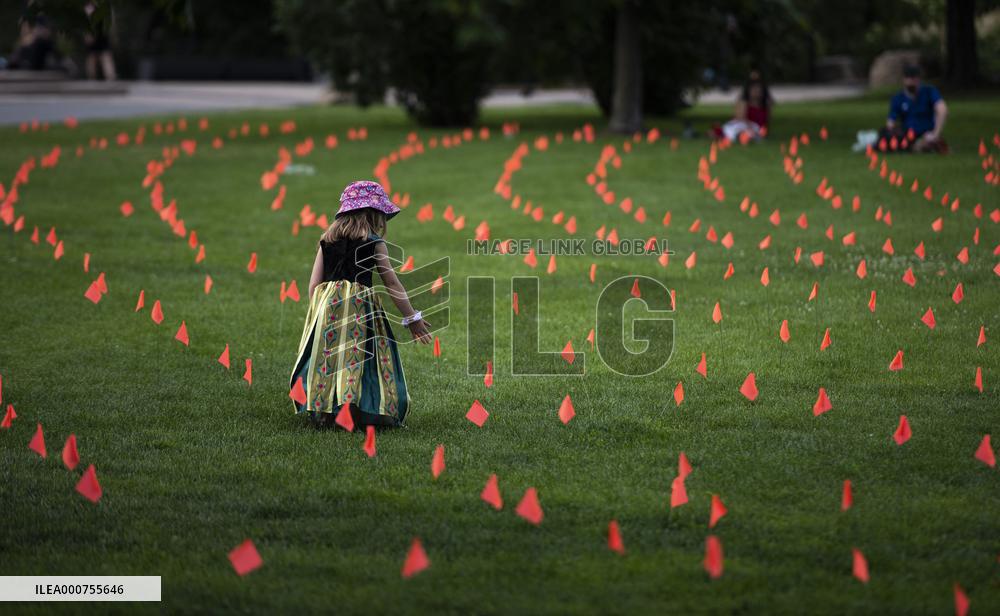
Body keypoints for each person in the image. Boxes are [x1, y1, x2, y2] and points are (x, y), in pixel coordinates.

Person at [289, 180, 430, 428]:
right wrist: (412, 318)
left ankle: (323, 411)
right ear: (375, 214)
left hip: (328, 307)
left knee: (328, 359)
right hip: (358, 309)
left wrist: (318, 312)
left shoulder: (327, 240)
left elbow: (313, 284)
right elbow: (392, 284)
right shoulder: (374, 242)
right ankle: (357, 410)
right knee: (358, 359)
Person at [883, 65, 947, 153]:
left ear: (919, 79)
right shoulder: (898, 98)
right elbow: (890, 122)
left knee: (927, 142)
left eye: (913, 78)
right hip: (908, 134)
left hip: (927, 132)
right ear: (904, 79)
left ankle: (931, 142)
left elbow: (942, 109)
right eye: (908, 78)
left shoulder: (929, 92)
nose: (911, 81)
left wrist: (936, 133)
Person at [711, 70, 773, 142]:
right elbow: (740, 118)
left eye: (759, 90)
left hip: (756, 128)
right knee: (739, 129)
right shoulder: (743, 102)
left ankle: (740, 136)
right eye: (754, 90)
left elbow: (767, 121)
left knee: (751, 133)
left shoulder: (766, 104)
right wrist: (750, 128)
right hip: (744, 125)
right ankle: (737, 136)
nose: (757, 92)